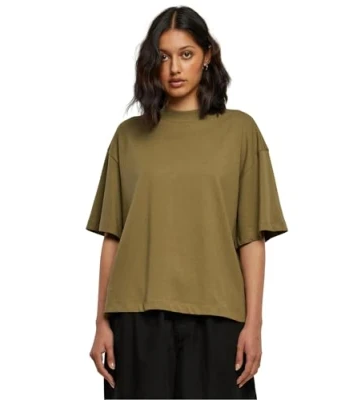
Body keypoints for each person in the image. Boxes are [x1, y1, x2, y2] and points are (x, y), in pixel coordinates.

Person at [86, 5, 288, 399]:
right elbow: (113, 236)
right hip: (136, 317)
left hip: (219, 317)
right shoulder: (128, 137)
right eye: (163, 56)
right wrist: (101, 322)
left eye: (186, 54)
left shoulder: (240, 131)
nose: (174, 68)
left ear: (207, 55)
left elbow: (251, 238)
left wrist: (254, 325)